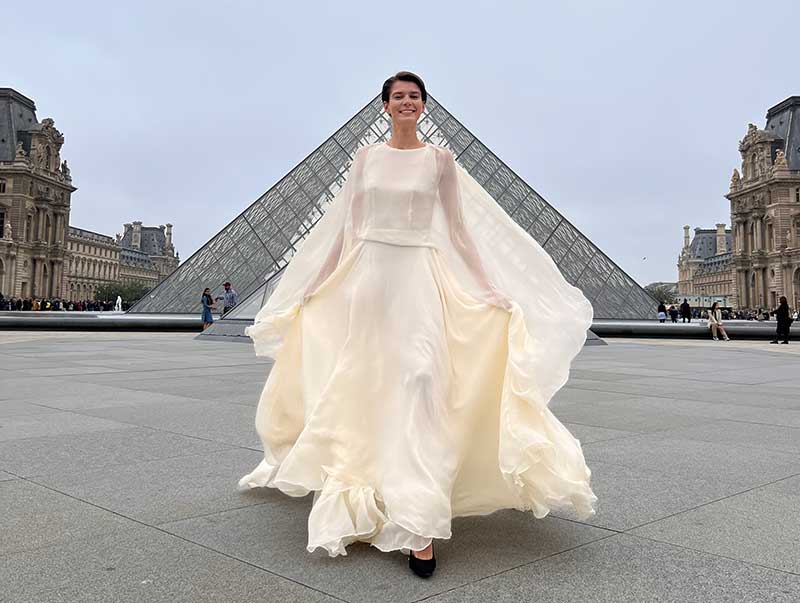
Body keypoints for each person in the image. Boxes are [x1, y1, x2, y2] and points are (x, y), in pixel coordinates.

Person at [239, 71, 596, 579]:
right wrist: (316, 285)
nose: (406, 102)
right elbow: (346, 230)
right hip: (370, 280)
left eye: (414, 96)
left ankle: (419, 521)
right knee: (365, 385)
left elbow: (458, 231)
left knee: (422, 380)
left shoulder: (441, 161)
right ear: (385, 106)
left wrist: (489, 289)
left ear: (423, 105)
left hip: (420, 279)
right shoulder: (365, 158)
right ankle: (372, 486)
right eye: (398, 96)